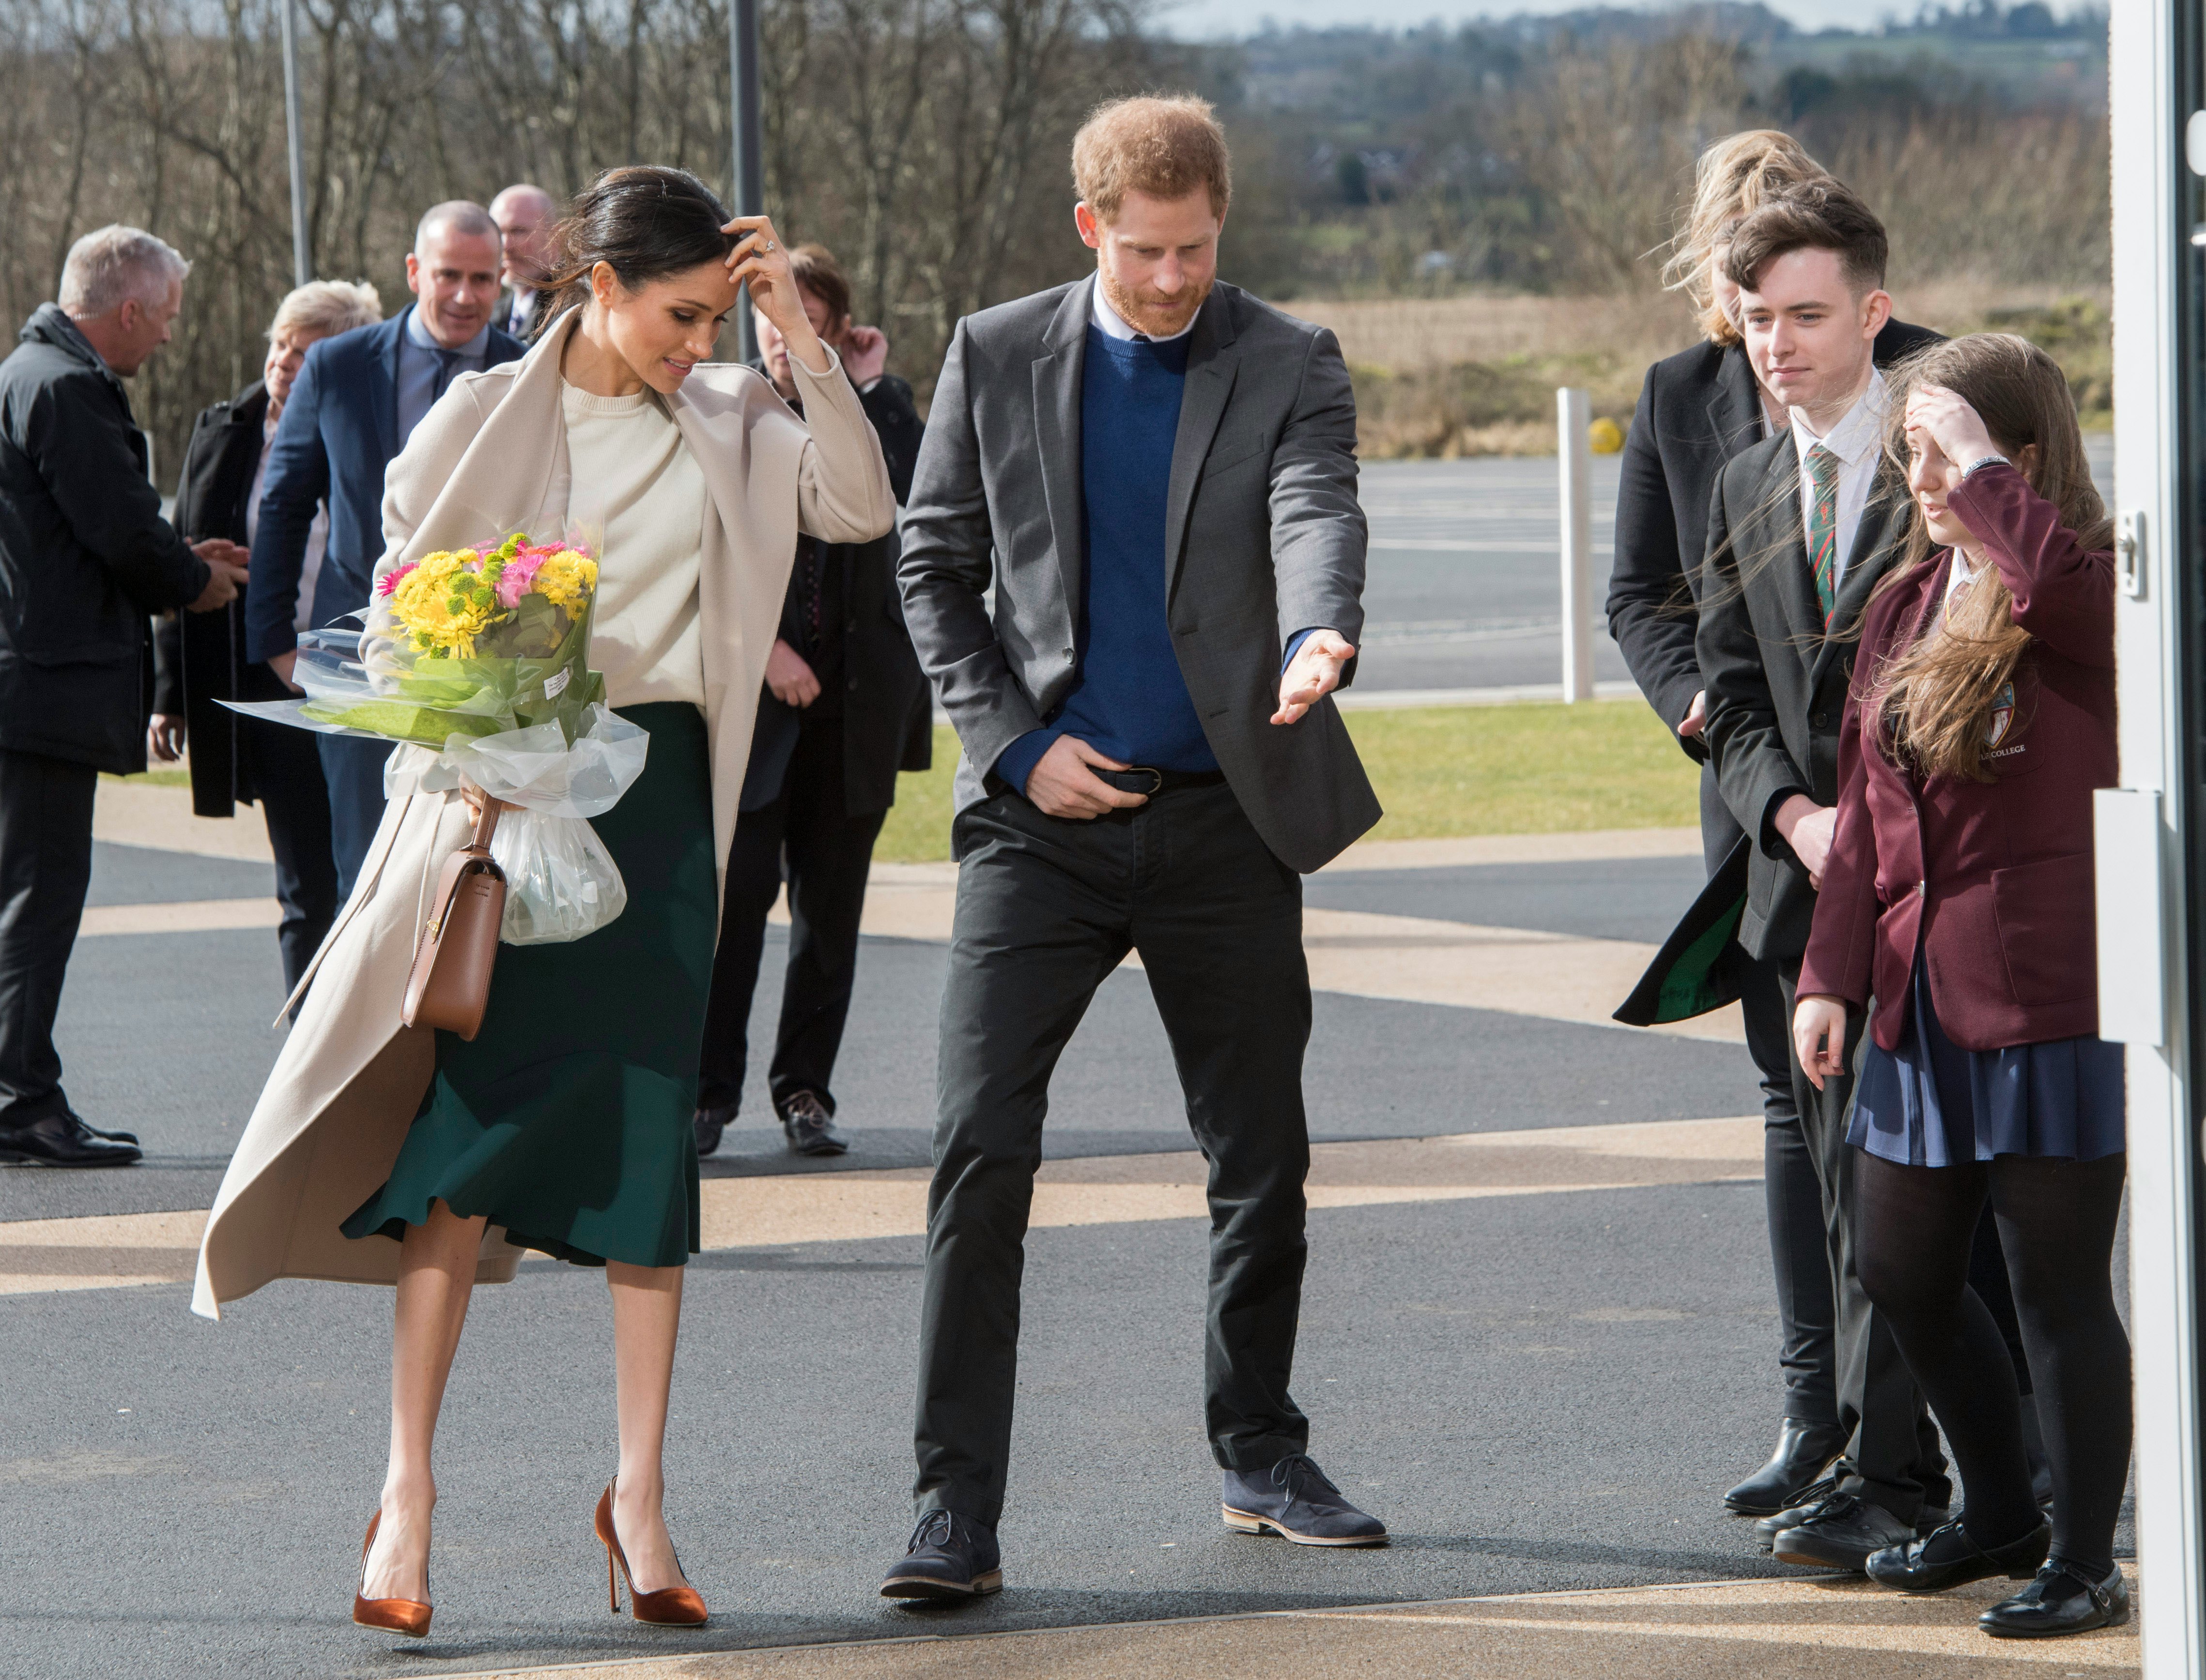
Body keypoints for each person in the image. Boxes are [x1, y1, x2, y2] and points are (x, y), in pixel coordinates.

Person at [188, 166, 894, 1637]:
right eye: (678, 314)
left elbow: (860, 499)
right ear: (600, 285)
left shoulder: (739, 415)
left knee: (648, 1157)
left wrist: (787, 333)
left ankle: (637, 1499)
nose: (691, 343)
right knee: (463, 1139)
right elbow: (403, 595)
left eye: (716, 313)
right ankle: (406, 1494)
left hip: (662, 810)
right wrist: (486, 734)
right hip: (508, 806)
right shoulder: (480, 413)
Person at [884, 94, 1385, 1603]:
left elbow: (1315, 506)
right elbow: (932, 564)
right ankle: (951, 1510)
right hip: (1040, 824)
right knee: (979, 1151)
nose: (1174, 277)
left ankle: (1260, 1448)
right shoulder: (996, 350)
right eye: (1148, 249)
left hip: (1225, 813)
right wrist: (1019, 749)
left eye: (1199, 247)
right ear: (1090, 224)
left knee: (1261, 1156)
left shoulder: (1286, 357)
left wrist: (1319, 627)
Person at [1608, 130, 1950, 1523]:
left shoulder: (1939, 389)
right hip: (1771, 822)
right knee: (1811, 1124)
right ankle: (1832, 1422)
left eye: (1802, 299)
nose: (1772, 328)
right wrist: (1740, 752)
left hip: (1918, 835)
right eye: (1750, 291)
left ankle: (1958, 1449)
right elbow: (1652, 603)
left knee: (1926, 1153)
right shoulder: (1693, 409)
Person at [1794, 338, 2130, 1638]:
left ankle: (2086, 1557)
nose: (1919, 476)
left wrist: (1987, 479)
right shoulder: (1903, 602)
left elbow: (2063, 592)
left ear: (2018, 457)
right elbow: (1867, 818)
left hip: (2049, 992)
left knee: (2053, 1285)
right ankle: (1998, 1507)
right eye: (1913, 451)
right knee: (1903, 1265)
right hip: (1916, 998)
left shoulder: (2085, 591)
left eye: (1943, 450)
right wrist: (1829, 971)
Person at [1694, 179, 1952, 1573]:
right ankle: (1884, 1466)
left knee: (1916, 1199)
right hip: (1802, 892)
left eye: (1803, 315)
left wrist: (1876, 831)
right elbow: (1731, 698)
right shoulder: (1744, 476)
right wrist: (1791, 815)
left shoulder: (1943, 462)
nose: (1777, 345)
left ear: (1870, 308)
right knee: (1858, 1190)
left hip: (1932, 896)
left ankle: (1921, 1474)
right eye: (1755, 322)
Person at [0, 225, 246, 1169]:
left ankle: (21, 1089)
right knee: (39, 897)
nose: (171, 339)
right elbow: (120, 533)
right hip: (48, 688)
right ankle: (21, 1101)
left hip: (31, 680)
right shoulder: (66, 388)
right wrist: (194, 583)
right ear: (129, 309)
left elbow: (86, 530)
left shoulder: (28, 374)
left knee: (28, 892)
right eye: (168, 319)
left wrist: (185, 558)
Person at [694, 243, 930, 1159]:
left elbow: (914, 496)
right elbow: (702, 555)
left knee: (830, 922)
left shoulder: (877, 410)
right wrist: (764, 652)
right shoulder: (727, 411)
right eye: (774, 323)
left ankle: (805, 1092)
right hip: (759, 712)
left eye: (810, 322)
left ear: (834, 325)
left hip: (858, 710)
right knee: (736, 914)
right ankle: (708, 1096)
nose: (789, 343)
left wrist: (871, 389)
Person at [245, 202, 524, 899]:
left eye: (483, 279)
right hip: (359, 655)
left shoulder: (527, 374)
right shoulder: (338, 366)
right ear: (412, 272)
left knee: (471, 873)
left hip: (488, 666)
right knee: (365, 870)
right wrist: (277, 639)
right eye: (448, 275)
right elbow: (284, 501)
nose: (465, 296)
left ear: (502, 281)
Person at [150, 279, 385, 994]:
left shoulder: (371, 434)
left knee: (369, 871)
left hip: (361, 675)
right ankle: (306, 1055)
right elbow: (183, 556)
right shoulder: (226, 428)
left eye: (304, 350)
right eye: (279, 343)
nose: (283, 361)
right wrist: (171, 692)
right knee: (304, 882)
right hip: (268, 680)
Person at [490, 184, 558, 339]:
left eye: (518, 231)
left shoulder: (575, 312)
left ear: (556, 237)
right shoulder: (489, 318)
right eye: (497, 233)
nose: (506, 246)